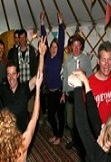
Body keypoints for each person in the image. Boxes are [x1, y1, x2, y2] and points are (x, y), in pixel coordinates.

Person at [0, 36, 46, 133]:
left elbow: (38, 76)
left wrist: (42, 55)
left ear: (18, 74)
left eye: (13, 74)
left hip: (22, 134)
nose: (11, 77)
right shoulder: (3, 89)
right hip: (8, 135)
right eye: (8, 74)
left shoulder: (24, 88)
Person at [62, 33, 92, 150]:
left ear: (81, 47)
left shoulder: (85, 59)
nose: (75, 48)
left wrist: (83, 74)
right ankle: (74, 139)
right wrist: (63, 93)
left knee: (81, 121)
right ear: (70, 47)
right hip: (70, 95)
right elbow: (64, 76)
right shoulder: (67, 60)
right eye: (73, 46)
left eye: (78, 46)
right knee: (70, 121)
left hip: (81, 95)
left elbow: (90, 76)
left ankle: (80, 142)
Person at [40, 11, 65, 145]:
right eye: (52, 47)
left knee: (59, 115)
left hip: (59, 91)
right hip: (50, 91)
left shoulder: (59, 57)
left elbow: (61, 38)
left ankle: (59, 136)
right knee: (51, 116)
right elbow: (43, 39)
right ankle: (56, 134)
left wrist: (61, 23)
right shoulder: (47, 57)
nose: (54, 49)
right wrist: (42, 23)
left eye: (56, 47)